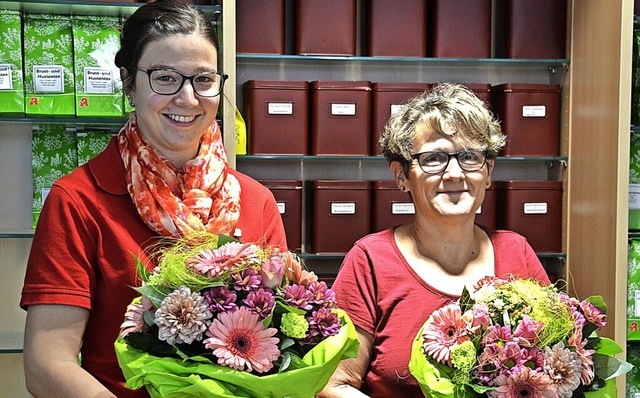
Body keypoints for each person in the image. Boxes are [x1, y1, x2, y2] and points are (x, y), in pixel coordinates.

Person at [20, 1, 287, 397]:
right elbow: (47, 366)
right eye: (164, 78)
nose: (188, 98)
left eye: (204, 79)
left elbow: (280, 339)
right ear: (128, 82)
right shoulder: (77, 200)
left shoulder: (254, 200)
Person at [318, 83, 551, 398]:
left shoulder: (517, 252)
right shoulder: (370, 260)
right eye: (434, 158)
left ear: (489, 171)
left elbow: (552, 369)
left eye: (469, 156)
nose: (454, 173)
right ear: (402, 176)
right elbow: (334, 385)